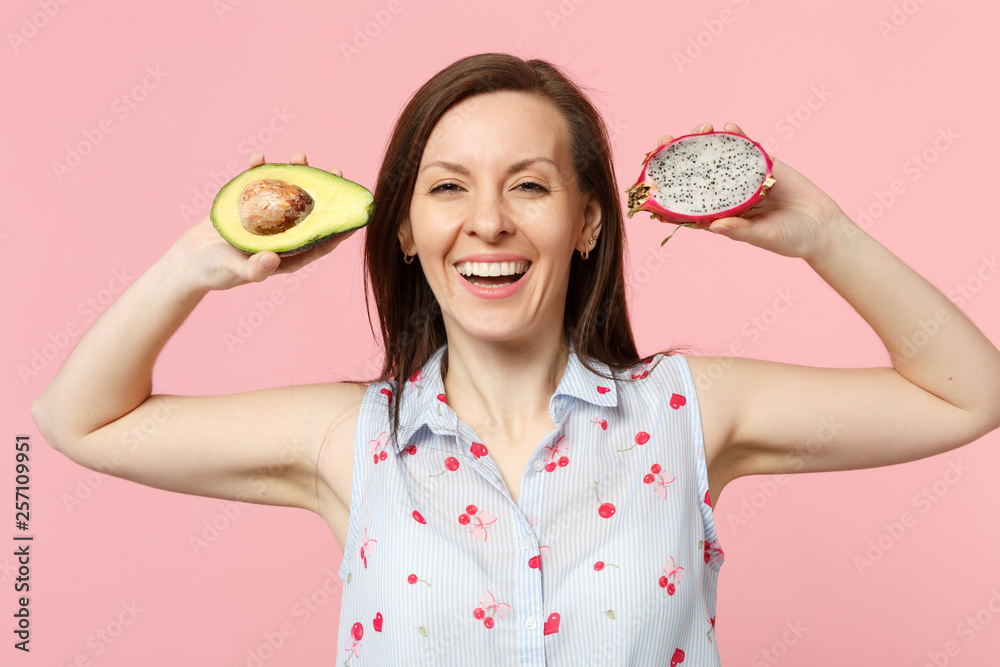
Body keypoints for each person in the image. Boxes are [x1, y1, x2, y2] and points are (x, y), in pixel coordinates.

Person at [31, 52, 1000, 666]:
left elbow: (967, 393)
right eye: (448, 187)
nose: (488, 222)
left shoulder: (686, 412)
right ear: (405, 229)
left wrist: (826, 236)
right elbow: (80, 420)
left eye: (529, 186)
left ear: (588, 222)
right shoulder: (348, 437)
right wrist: (198, 260)